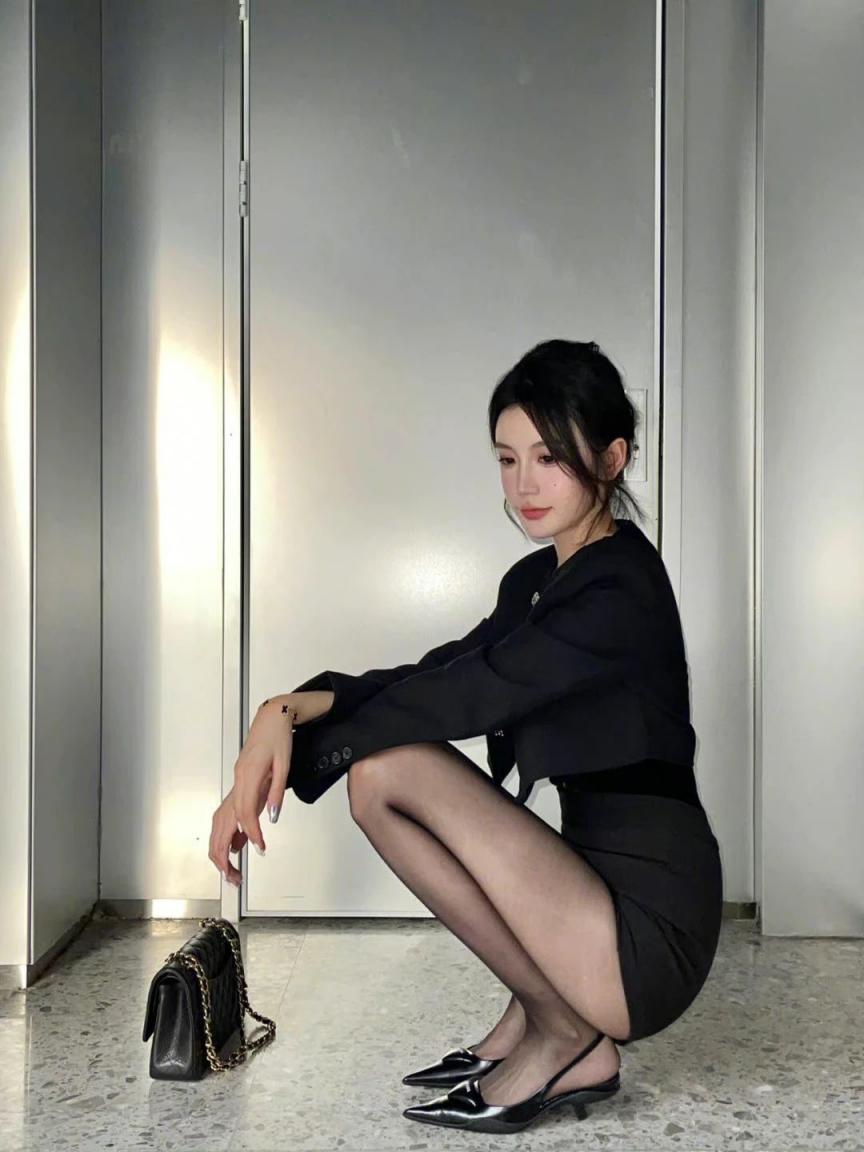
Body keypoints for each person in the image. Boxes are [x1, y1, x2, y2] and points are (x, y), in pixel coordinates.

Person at [209, 339, 723, 1134]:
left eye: (549, 458)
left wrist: (285, 739)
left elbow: (467, 695)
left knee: (385, 773)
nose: (524, 485)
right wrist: (281, 711)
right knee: (379, 771)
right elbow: (439, 670)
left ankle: (566, 1030)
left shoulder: (618, 589)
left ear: (612, 458)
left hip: (646, 933)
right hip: (589, 890)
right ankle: (542, 1013)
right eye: (507, 460)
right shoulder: (541, 579)